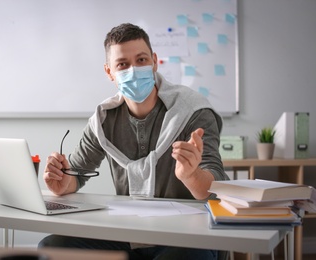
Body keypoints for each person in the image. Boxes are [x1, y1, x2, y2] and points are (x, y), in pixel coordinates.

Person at [39, 23, 229, 260]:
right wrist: (62, 183)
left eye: (141, 60)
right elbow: (76, 174)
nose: (134, 70)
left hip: (188, 237)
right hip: (127, 235)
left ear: (154, 62)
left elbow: (217, 188)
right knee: (53, 246)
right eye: (122, 64)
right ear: (109, 72)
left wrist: (192, 176)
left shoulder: (194, 111)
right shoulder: (104, 119)